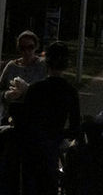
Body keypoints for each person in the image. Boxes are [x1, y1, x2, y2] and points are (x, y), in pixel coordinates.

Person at [13, 41, 81, 195]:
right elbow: (75, 127)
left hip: (31, 146)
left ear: (46, 63)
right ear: (66, 64)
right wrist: (60, 134)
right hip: (53, 144)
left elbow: (24, 119)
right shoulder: (70, 92)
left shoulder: (35, 89)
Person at [0, 31, 47, 127]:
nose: (26, 51)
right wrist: (7, 95)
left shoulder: (43, 66)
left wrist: (27, 90)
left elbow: (47, 94)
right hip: (11, 119)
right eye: (22, 48)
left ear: (36, 47)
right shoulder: (11, 66)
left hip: (35, 118)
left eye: (30, 47)